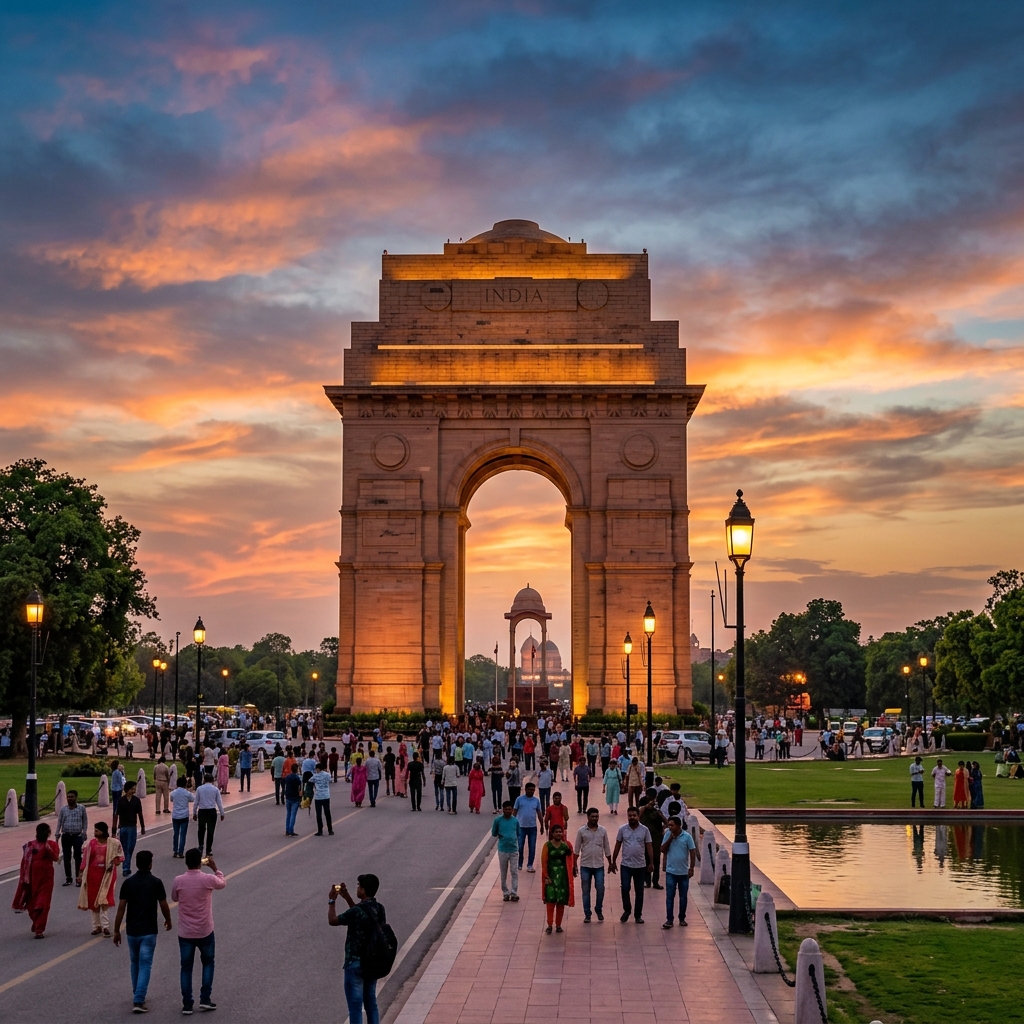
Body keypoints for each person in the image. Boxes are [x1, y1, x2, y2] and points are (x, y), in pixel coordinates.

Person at [112, 849, 172, 1012]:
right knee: (145, 963)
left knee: (135, 962)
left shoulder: (128, 883)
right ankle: (139, 1000)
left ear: (136, 864)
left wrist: (116, 930)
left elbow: (121, 908)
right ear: (150, 864)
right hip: (149, 931)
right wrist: (168, 919)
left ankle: (137, 991)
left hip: (132, 931)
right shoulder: (156, 882)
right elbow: (164, 904)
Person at [171, 848, 226, 1014]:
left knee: (186, 968)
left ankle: (187, 1004)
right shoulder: (207, 879)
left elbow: (174, 898)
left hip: (185, 932)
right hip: (205, 930)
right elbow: (222, 883)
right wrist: (215, 868)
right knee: (208, 963)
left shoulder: (178, 880)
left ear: (186, 862)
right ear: (199, 863)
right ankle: (205, 999)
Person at [329, 875, 388, 1024]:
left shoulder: (357, 912)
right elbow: (360, 913)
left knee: (355, 1007)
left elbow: (333, 921)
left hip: (355, 963)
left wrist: (332, 900)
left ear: (363, 890)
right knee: (371, 1003)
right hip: (372, 962)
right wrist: (347, 897)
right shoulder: (379, 908)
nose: (357, 888)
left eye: (358, 886)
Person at [12, 822, 60, 938]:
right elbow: (24, 862)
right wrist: (24, 877)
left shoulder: (52, 844)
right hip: (31, 877)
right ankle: (36, 921)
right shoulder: (30, 845)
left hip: (46, 877)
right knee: (31, 901)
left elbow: (55, 858)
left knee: (43, 902)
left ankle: (39, 929)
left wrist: (48, 849)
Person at [78, 821, 124, 935]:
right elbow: (85, 860)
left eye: (97, 830)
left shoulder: (113, 843)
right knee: (94, 901)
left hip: (107, 876)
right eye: (94, 830)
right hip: (92, 877)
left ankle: (106, 927)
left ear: (103, 832)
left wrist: (114, 862)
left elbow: (120, 857)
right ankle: (96, 927)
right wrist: (80, 873)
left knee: (104, 900)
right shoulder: (91, 844)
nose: (94, 833)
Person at [610, 806, 653, 924]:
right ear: (627, 816)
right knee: (625, 888)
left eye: (634, 815)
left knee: (639, 892)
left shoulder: (645, 830)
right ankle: (627, 910)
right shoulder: (622, 829)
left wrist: (651, 862)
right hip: (626, 865)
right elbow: (618, 845)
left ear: (638, 816)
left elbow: (649, 846)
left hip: (640, 866)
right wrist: (613, 861)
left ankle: (638, 915)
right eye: (630, 815)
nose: (632, 817)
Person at [574, 807, 613, 923]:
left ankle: (598, 909)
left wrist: (610, 862)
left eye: (596, 816)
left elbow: (607, 848)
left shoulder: (603, 831)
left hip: (599, 866)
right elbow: (576, 850)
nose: (595, 818)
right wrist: (574, 865)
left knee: (600, 889)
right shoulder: (581, 831)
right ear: (588, 817)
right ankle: (587, 914)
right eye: (593, 816)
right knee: (586, 891)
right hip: (585, 865)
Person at [661, 814, 697, 928]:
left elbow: (692, 852)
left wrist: (691, 868)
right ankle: (669, 919)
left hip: (683, 872)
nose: (670, 827)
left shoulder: (687, 837)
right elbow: (662, 849)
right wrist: (670, 838)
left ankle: (682, 918)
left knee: (683, 897)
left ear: (678, 825)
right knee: (670, 896)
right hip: (671, 871)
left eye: (672, 825)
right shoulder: (667, 834)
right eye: (669, 825)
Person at [541, 824, 575, 934]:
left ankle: (558, 925)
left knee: (560, 901)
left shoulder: (565, 846)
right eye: (556, 832)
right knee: (550, 901)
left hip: (562, 878)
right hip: (550, 878)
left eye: (560, 832)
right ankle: (549, 924)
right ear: (552, 833)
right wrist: (546, 876)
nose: (559, 834)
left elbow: (571, 859)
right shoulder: (547, 846)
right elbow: (544, 862)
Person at [55, 788, 88, 886]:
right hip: (66, 836)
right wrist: (57, 834)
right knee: (66, 857)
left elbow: (85, 821)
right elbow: (59, 822)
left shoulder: (81, 808)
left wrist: (84, 833)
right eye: (68, 797)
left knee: (78, 857)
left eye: (71, 797)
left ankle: (79, 878)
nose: (69, 799)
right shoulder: (63, 809)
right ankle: (68, 878)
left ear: (76, 798)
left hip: (77, 836)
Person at [113, 780, 145, 877]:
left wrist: (143, 826)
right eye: (132, 788)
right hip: (123, 827)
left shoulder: (136, 800)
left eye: (134, 788)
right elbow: (116, 815)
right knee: (124, 847)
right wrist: (114, 830)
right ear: (127, 790)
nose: (134, 790)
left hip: (132, 826)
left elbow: (140, 814)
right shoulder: (121, 800)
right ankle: (126, 868)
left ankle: (126, 866)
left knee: (130, 847)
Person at [492, 801, 521, 901]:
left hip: (513, 849)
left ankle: (514, 892)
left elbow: (518, 833)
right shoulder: (498, 820)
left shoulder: (515, 821)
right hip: (503, 850)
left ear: (512, 810)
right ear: (503, 810)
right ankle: (505, 892)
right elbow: (494, 833)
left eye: (510, 809)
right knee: (503, 872)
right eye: (506, 809)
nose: (508, 811)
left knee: (514, 871)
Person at [514, 781, 545, 872]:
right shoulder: (519, 799)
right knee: (520, 846)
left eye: (533, 790)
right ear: (526, 789)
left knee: (532, 847)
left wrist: (542, 825)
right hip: (521, 827)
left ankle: (530, 865)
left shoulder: (536, 801)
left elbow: (539, 813)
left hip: (532, 827)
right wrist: (512, 824)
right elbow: (515, 812)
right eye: (530, 789)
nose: (531, 791)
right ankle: (519, 864)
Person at [639, 791, 667, 890]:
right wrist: (646, 807)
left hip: (656, 838)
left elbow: (666, 821)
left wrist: (663, 828)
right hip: (645, 839)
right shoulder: (642, 809)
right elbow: (638, 816)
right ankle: (647, 881)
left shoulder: (657, 811)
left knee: (656, 860)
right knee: (646, 859)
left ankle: (655, 881)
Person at [193, 771, 225, 856]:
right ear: (212, 780)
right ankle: (208, 849)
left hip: (202, 811)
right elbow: (219, 802)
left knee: (201, 829)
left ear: (204, 780)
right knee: (211, 831)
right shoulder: (215, 789)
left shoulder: (199, 789)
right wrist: (222, 813)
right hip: (211, 811)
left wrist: (194, 813)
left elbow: (196, 802)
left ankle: (200, 846)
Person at [170, 777, 195, 858]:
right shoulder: (187, 793)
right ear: (185, 784)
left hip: (175, 815)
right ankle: (181, 852)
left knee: (176, 834)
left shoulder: (173, 793)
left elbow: (171, 799)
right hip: (184, 815)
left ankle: (175, 851)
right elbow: (193, 799)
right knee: (183, 834)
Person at [313, 761, 334, 835]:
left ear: (318, 769)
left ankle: (320, 830)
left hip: (318, 797)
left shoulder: (315, 776)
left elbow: (310, 781)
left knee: (319, 814)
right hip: (326, 795)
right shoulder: (327, 775)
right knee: (327, 813)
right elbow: (330, 781)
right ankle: (330, 830)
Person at [111, 760, 126, 825]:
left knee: (115, 802)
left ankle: (114, 813)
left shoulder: (113, 772)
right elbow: (120, 781)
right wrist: (122, 787)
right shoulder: (118, 772)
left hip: (113, 789)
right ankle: (118, 814)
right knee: (118, 802)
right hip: (118, 789)